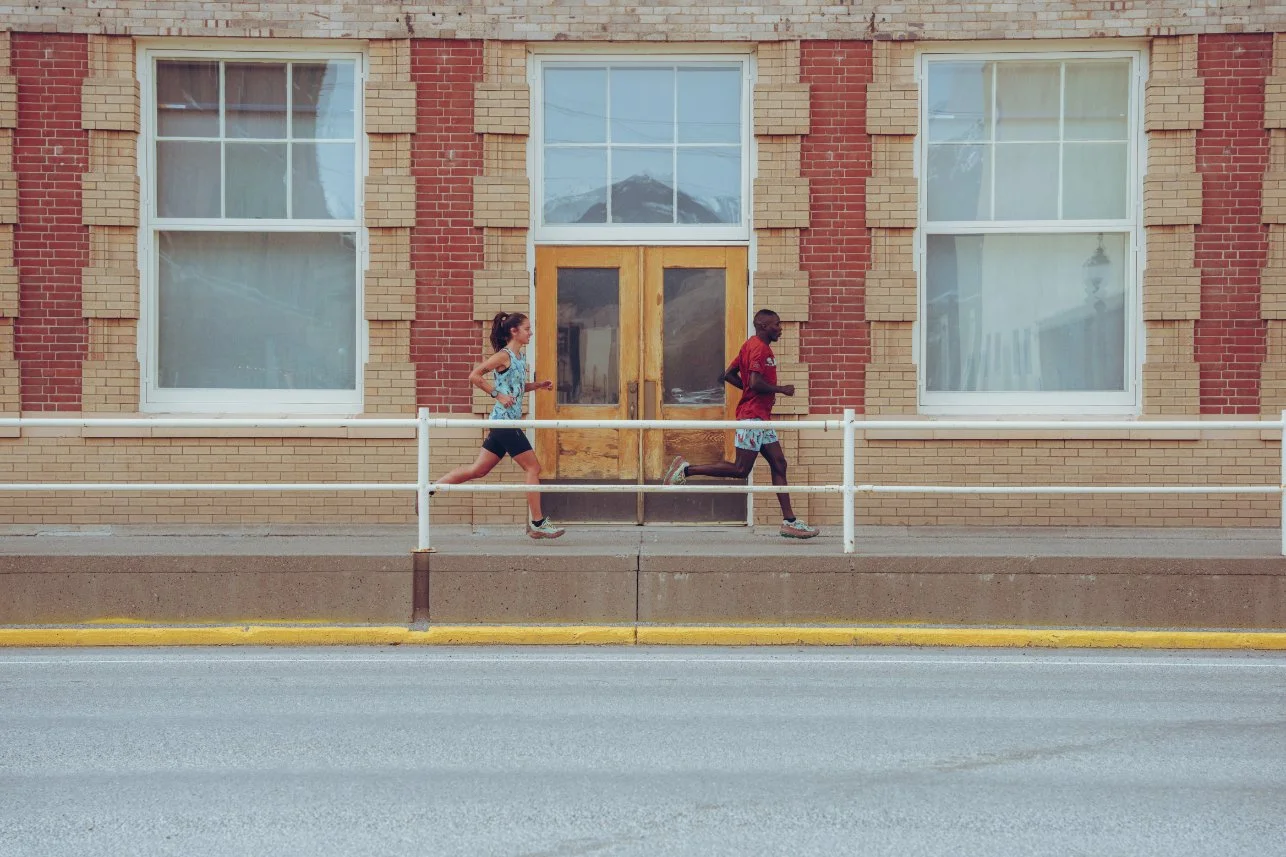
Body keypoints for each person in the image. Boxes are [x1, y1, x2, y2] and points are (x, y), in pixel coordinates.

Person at [663, 309, 820, 539]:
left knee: (779, 463)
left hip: (761, 419)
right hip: (752, 418)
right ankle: (686, 470)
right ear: (764, 326)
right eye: (777, 324)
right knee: (740, 469)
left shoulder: (750, 345)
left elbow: (728, 375)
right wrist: (781, 389)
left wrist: (749, 389)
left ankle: (790, 522)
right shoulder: (758, 348)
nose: (781, 328)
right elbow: (755, 383)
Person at [435, 311, 565, 539]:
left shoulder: (519, 357)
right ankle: (538, 523)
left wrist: (538, 385)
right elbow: (474, 376)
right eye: (527, 329)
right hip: (504, 422)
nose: (530, 332)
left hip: (503, 423)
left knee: (479, 470)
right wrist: (497, 395)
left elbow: (516, 387)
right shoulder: (503, 356)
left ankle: (430, 488)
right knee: (533, 468)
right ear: (514, 332)